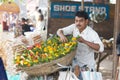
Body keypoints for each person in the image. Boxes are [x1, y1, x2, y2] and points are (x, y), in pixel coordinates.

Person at [56, 11, 104, 79]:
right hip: (75, 64)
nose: (78, 23)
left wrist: (84, 41)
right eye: (76, 21)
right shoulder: (74, 27)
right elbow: (59, 31)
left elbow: (101, 48)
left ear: (86, 21)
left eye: (81, 21)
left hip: (87, 67)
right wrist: (62, 36)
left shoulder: (92, 33)